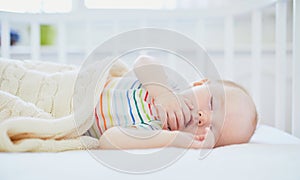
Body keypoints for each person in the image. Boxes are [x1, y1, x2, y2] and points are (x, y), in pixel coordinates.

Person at [87, 55, 257, 149]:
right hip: (82, 88)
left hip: (71, 114)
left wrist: (176, 139)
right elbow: (143, 61)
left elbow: (108, 140)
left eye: (212, 129)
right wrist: (163, 94)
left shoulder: (156, 130)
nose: (203, 117)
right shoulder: (169, 86)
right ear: (200, 84)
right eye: (212, 103)